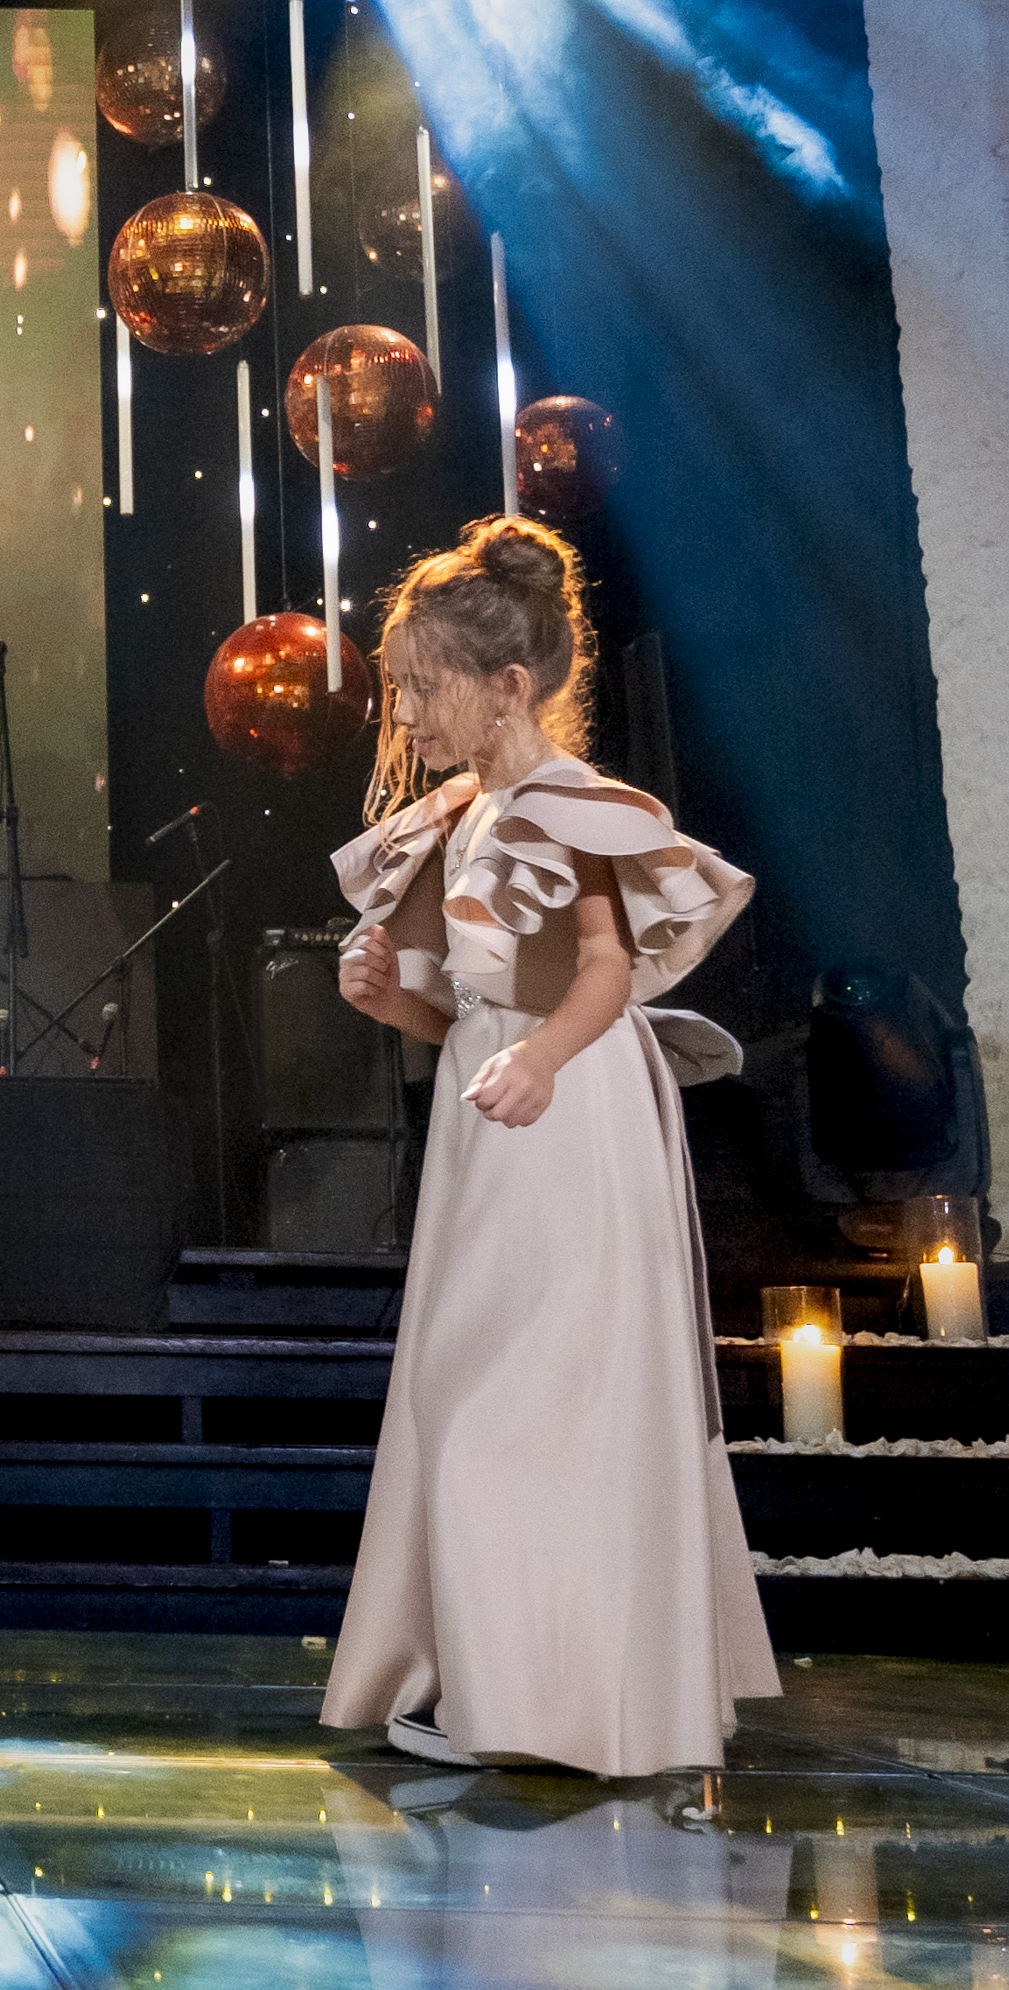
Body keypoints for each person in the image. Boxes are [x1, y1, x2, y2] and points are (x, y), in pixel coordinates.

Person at [319, 515, 777, 1778]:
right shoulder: (464, 816)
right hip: (495, 1105)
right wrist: (395, 1006)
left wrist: (544, 1059)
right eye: (401, 689)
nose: (405, 714)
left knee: (539, 1385)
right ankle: (509, 1679)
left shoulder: (573, 809)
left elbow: (603, 972)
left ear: (508, 685)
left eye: (424, 688)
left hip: (570, 1100)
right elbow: (468, 1012)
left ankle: (536, 1692)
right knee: (469, 1380)